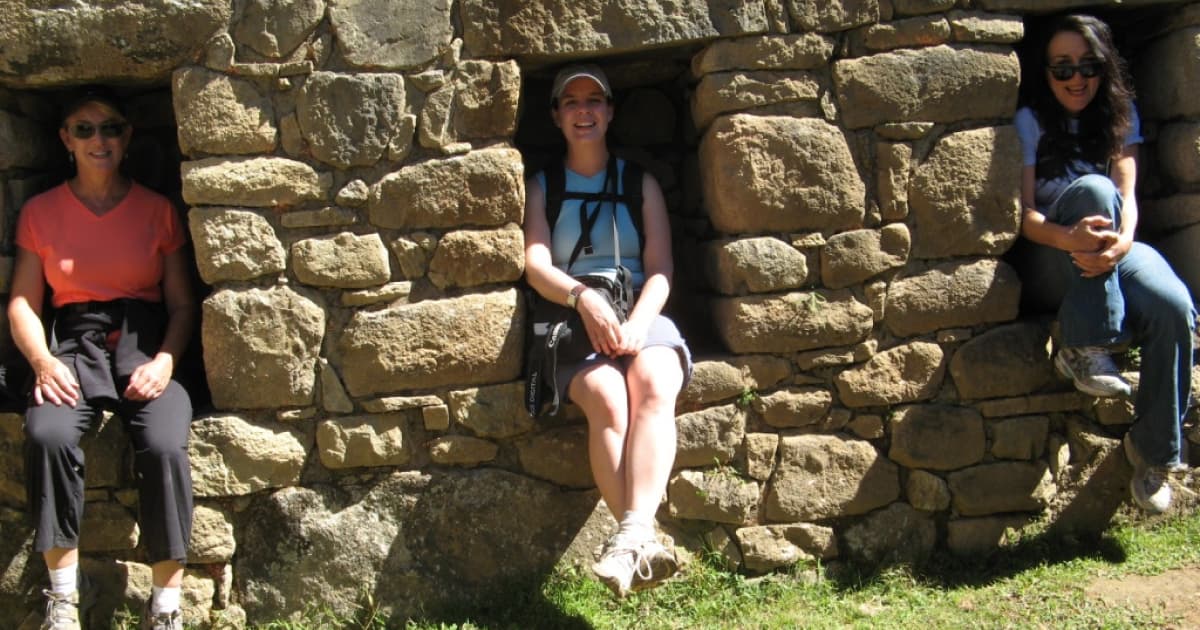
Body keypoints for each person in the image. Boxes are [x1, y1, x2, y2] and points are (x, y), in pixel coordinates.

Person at [8, 86, 194, 629]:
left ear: (127, 136)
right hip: (72, 343)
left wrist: (164, 362)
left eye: (110, 127)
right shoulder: (41, 213)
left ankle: (165, 607)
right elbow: (22, 301)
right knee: (47, 433)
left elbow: (183, 305)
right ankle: (63, 601)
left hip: (145, 341)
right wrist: (43, 362)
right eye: (84, 129)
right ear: (65, 139)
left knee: (163, 444)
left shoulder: (157, 211)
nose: (99, 139)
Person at [1012, 15, 1194, 513]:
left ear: (1105, 67)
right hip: (1054, 253)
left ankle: (1154, 452)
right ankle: (1085, 341)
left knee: (1173, 305)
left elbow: (1128, 196)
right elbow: (1024, 217)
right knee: (1093, 189)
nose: (1077, 79)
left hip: (1114, 248)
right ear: (1044, 72)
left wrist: (1123, 241)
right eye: (1062, 68)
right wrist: (1068, 235)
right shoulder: (1030, 121)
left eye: (1088, 66)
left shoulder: (1119, 114)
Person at [523, 65, 693, 597]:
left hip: (640, 310)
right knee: (606, 394)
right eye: (570, 102)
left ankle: (629, 541)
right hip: (571, 319)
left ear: (611, 110)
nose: (583, 111)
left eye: (593, 100)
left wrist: (640, 323)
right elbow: (535, 263)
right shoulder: (544, 186)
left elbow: (661, 269)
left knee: (656, 380)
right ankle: (643, 541)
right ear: (555, 116)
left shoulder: (638, 183)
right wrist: (584, 298)